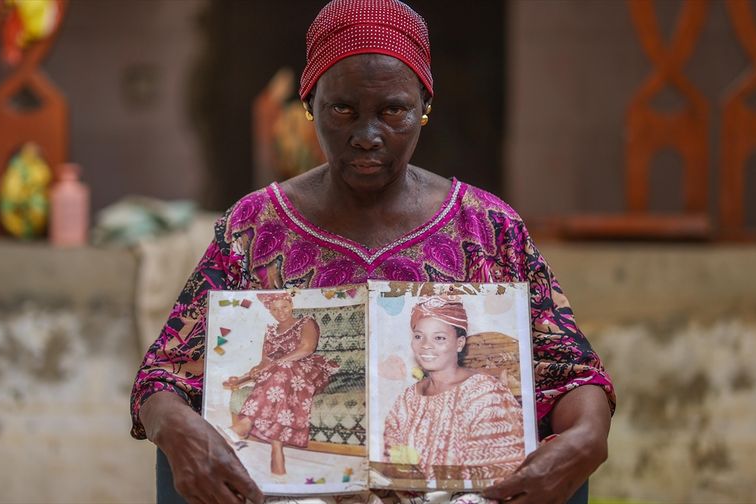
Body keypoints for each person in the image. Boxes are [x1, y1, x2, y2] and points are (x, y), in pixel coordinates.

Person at [130, 1, 616, 503]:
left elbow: (569, 369)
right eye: (342, 109)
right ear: (309, 104)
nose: (367, 136)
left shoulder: (487, 228)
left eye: (393, 111)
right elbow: (165, 372)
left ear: (424, 105)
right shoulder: (254, 228)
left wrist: (586, 437)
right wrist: (173, 426)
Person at [383, 296, 525, 481]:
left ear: (459, 343)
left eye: (439, 338)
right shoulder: (407, 399)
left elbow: (501, 470)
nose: (426, 345)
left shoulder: (485, 392)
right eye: (419, 336)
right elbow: (389, 459)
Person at [220, 292, 338, 477]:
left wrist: (274, 365)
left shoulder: (306, 321)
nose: (280, 312)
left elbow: (307, 348)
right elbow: (264, 362)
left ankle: (246, 423)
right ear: (270, 310)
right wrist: (248, 375)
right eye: (274, 309)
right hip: (281, 376)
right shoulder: (271, 332)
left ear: (291, 305)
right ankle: (277, 450)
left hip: (310, 371)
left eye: (284, 307)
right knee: (279, 381)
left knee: (282, 369)